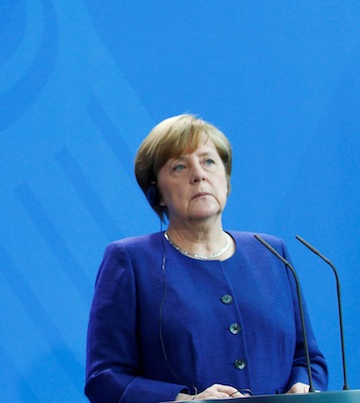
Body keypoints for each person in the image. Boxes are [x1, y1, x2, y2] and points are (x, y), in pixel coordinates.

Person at [85, 114, 327, 402]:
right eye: (179, 166)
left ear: (226, 180)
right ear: (157, 193)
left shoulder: (272, 254)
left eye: (209, 162)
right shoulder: (130, 260)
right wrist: (185, 401)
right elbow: (105, 378)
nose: (199, 174)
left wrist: (304, 387)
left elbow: (308, 359)